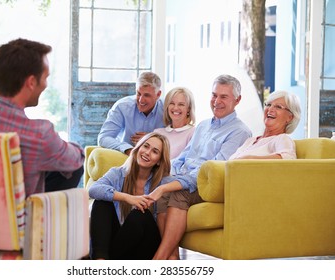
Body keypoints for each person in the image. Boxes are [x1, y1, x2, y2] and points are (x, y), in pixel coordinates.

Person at [0, 38, 84, 197]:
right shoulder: (39, 134)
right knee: (70, 169)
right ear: (31, 82)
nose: (45, 84)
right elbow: (76, 160)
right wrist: (60, 142)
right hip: (14, 221)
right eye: (45, 77)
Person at [147, 74, 252, 260]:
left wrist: (178, 182)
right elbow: (183, 157)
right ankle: (172, 261)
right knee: (161, 191)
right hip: (186, 178)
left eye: (224, 97)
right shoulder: (203, 126)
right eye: (214, 95)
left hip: (206, 186)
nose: (217, 101)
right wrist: (171, 177)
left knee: (178, 192)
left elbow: (213, 172)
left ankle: (158, 260)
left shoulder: (240, 132)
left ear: (237, 100)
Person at [88, 132, 174, 260]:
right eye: (145, 146)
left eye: (155, 151)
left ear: (159, 161)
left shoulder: (164, 182)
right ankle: (100, 263)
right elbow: (92, 190)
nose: (147, 152)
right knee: (102, 202)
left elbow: (189, 182)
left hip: (145, 246)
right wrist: (128, 198)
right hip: (119, 246)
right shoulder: (118, 173)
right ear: (138, 148)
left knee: (140, 214)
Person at [97, 71, 164, 155]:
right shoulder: (122, 107)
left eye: (147, 95)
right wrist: (128, 149)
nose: (141, 100)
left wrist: (150, 139)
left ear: (158, 94)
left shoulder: (167, 109)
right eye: (138, 93)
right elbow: (103, 138)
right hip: (126, 157)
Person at [229, 90, 301, 159]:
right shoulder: (250, 140)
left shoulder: (282, 139)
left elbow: (288, 158)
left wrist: (250, 159)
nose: (270, 109)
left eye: (278, 107)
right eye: (269, 105)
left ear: (290, 117)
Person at [154, 87, 196, 159]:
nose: (175, 108)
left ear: (189, 108)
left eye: (181, 104)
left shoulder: (194, 133)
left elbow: (190, 162)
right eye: (172, 103)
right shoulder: (158, 133)